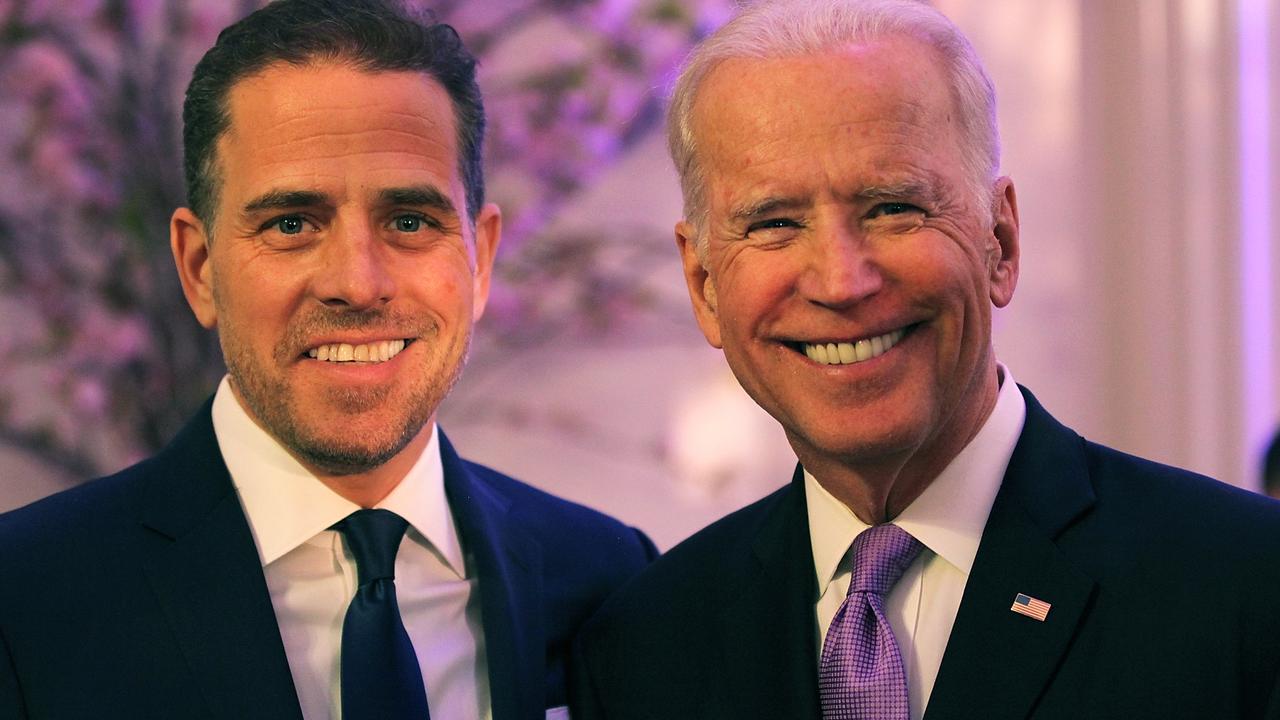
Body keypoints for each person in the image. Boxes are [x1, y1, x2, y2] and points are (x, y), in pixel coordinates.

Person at [570, 1, 1280, 718]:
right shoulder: (643, 647)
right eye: (775, 223)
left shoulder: (1247, 589)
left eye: (893, 207)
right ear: (704, 286)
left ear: (999, 241)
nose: (841, 282)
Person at [0, 1, 655, 718]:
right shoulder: (25, 600)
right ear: (198, 267)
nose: (357, 283)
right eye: (291, 224)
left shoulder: (610, 583)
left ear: (481, 259)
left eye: (410, 221)